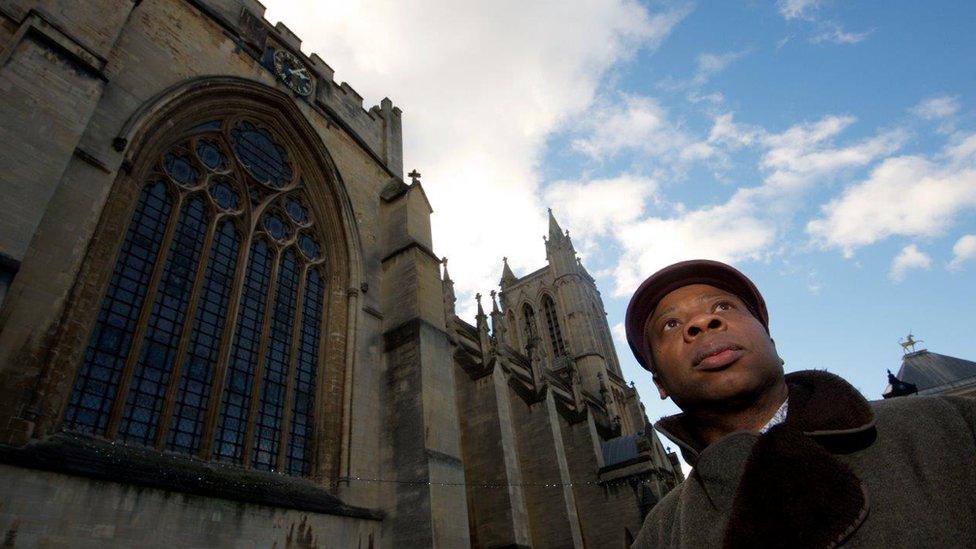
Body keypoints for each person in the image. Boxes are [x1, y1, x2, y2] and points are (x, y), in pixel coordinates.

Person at [624, 259, 976, 548]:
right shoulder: (661, 534)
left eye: (722, 306)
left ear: (773, 344)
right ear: (659, 383)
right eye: (671, 324)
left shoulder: (950, 424)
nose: (702, 321)